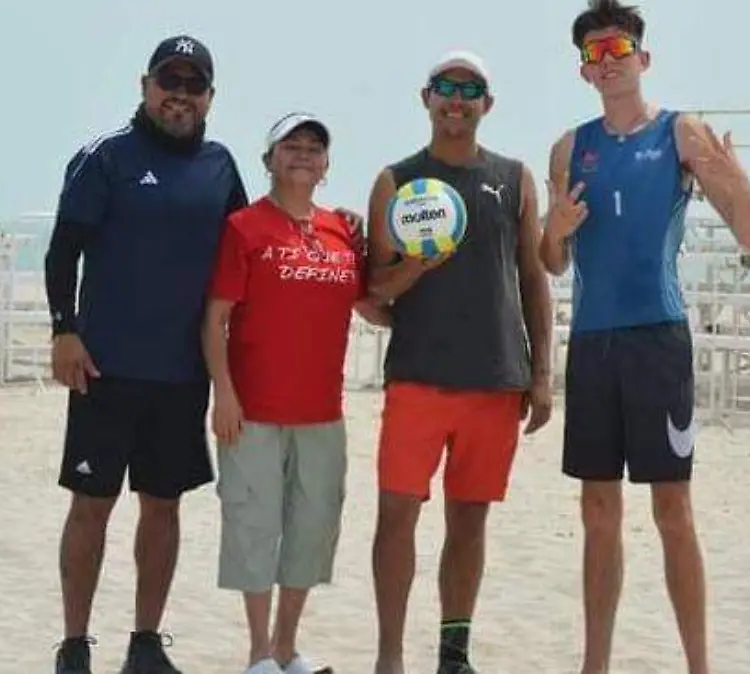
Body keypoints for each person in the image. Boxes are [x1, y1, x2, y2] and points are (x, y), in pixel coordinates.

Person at [538, 2, 750, 673]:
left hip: (658, 340)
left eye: (619, 48)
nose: (608, 63)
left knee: (672, 509)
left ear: (643, 57)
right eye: (594, 54)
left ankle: (699, 664)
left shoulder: (680, 132)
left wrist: (732, 176)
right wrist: (554, 228)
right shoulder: (568, 147)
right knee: (598, 510)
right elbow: (552, 262)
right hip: (594, 344)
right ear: (583, 70)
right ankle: (595, 664)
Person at [44, 34, 249, 674]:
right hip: (103, 368)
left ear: (210, 97)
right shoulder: (105, 158)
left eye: (193, 85)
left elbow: (248, 253)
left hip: (182, 374)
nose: (179, 96)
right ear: (145, 86)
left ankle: (145, 643)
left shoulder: (221, 166)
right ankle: (75, 644)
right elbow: (62, 251)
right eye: (169, 82)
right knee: (92, 504)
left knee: (163, 505)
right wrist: (63, 330)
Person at [364, 50, 555, 674]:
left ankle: (454, 654)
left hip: (496, 380)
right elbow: (374, 289)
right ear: (426, 98)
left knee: (468, 521)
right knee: (397, 516)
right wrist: (414, 269)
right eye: (445, 87)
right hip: (418, 375)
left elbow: (533, 278)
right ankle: (390, 656)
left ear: (487, 105)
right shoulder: (397, 180)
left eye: (469, 89)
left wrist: (543, 375)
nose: (456, 98)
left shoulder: (514, 177)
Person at [201, 112, 390, 674]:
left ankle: (287, 647)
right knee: (254, 527)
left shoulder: (341, 232)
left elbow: (371, 306)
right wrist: (224, 395)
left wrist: (428, 286)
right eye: (292, 146)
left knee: (311, 531)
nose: (303, 154)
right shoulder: (244, 227)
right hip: (253, 411)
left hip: (321, 414)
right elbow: (215, 320)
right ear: (270, 160)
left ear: (327, 165)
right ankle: (258, 651)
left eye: (314, 147)